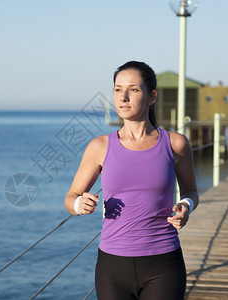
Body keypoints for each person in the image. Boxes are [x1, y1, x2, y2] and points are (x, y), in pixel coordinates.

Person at [64, 61, 199, 300]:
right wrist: (78, 205)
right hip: (112, 266)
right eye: (117, 89)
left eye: (133, 89)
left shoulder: (176, 144)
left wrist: (185, 206)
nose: (123, 97)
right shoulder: (100, 146)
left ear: (151, 97)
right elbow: (71, 197)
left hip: (163, 263)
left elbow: (191, 192)